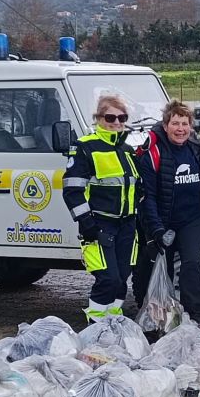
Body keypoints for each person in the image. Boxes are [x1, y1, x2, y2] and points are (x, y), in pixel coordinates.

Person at [134, 100, 200, 329]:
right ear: (166, 124)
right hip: (163, 221)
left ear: (190, 126)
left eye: (185, 124)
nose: (180, 129)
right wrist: (156, 229)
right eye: (175, 123)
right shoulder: (153, 152)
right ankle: (161, 321)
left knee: (191, 266)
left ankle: (199, 319)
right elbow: (147, 196)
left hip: (192, 220)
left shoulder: (196, 149)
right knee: (162, 269)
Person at [62, 94, 140, 322]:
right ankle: (95, 325)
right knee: (108, 279)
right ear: (98, 118)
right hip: (100, 225)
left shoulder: (127, 150)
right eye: (110, 117)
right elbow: (72, 190)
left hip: (127, 225)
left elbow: (137, 189)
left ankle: (113, 323)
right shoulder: (85, 148)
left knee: (122, 278)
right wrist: (87, 224)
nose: (116, 122)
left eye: (122, 117)